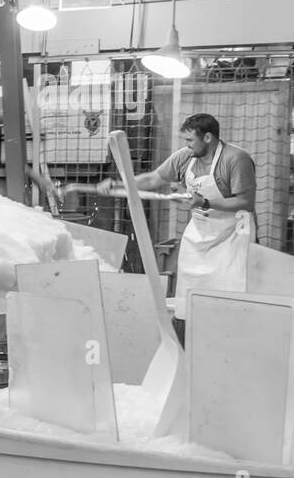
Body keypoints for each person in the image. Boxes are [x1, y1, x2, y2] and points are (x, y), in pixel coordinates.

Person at [98, 112, 256, 343]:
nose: (187, 145)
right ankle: (189, 347)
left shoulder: (235, 159)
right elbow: (154, 179)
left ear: (209, 137)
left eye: (191, 140)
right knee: (188, 295)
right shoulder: (185, 157)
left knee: (231, 293)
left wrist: (204, 201)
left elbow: (245, 202)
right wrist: (120, 183)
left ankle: (228, 344)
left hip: (233, 235)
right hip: (201, 232)